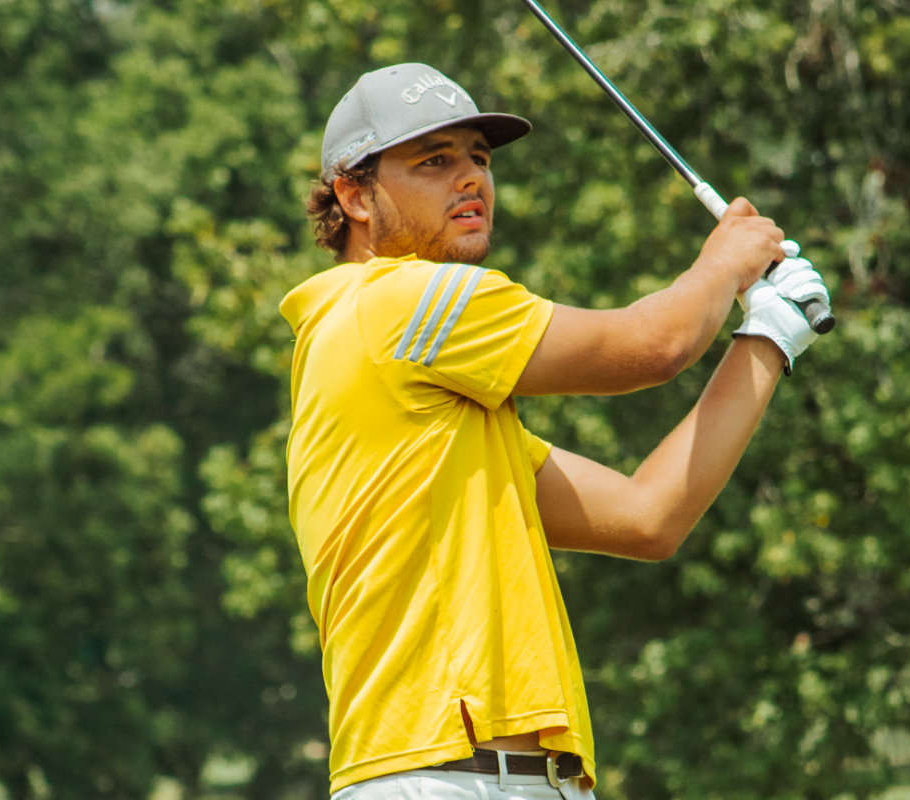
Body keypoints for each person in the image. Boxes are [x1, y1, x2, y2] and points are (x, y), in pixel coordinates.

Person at [281, 63, 830, 799]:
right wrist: (725, 261)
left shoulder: (447, 415)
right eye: (433, 160)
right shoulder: (393, 304)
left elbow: (648, 517)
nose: (471, 178)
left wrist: (769, 336)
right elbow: (655, 346)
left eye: (478, 156)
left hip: (523, 781)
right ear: (354, 195)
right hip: (437, 778)